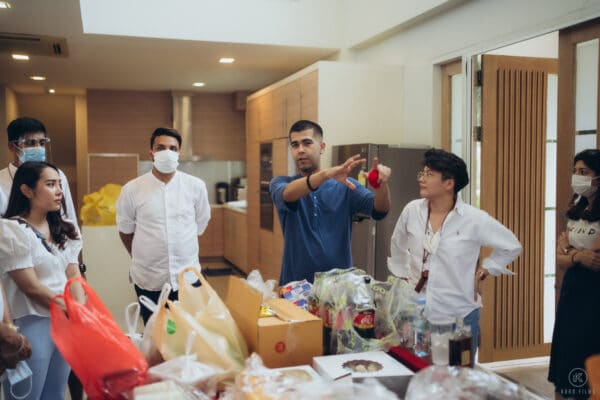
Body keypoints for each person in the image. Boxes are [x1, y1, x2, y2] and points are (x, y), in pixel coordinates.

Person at [387, 148, 521, 358]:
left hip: (458, 315)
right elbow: (397, 243)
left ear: (449, 184)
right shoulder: (412, 210)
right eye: (422, 173)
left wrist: (487, 268)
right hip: (417, 313)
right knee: (417, 375)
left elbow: (512, 245)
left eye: (429, 174)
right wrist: (403, 275)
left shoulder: (474, 219)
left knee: (458, 380)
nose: (422, 179)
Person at [269, 120, 392, 285]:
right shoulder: (281, 183)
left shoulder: (345, 186)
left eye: (307, 143)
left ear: (322, 147)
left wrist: (382, 186)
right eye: (295, 145)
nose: (300, 150)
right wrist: (324, 175)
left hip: (338, 288)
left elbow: (380, 210)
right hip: (296, 287)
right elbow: (287, 195)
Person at [0, 161, 84, 400]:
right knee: (27, 396)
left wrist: (79, 310)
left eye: (59, 184)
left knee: (56, 394)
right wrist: (73, 309)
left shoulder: (62, 229)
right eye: (50, 184)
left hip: (65, 321)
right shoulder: (11, 230)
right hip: (32, 323)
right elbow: (31, 287)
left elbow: (73, 274)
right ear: (27, 190)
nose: (59, 190)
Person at [116, 127, 211, 324]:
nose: (167, 152)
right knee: (155, 336)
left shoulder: (195, 186)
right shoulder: (132, 189)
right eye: (161, 147)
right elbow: (126, 230)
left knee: (189, 334)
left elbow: (201, 223)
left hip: (187, 278)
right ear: (151, 152)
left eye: (173, 148)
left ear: (179, 153)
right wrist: (142, 255)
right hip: (149, 278)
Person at [548, 149, 600, 400]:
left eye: (584, 172)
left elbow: (596, 258)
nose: (577, 177)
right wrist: (576, 255)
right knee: (566, 356)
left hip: (594, 294)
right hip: (572, 291)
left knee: (587, 353)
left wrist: (570, 250)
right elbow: (559, 260)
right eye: (575, 171)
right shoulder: (575, 212)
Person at [0, 117, 78, 225]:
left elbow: (69, 219)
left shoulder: (57, 175)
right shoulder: (1, 181)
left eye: (42, 143)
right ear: (12, 146)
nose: (37, 148)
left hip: (54, 240)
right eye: (30, 143)